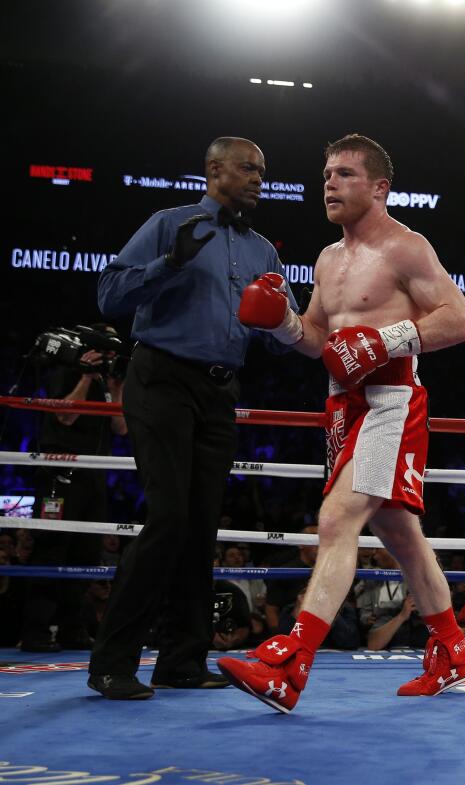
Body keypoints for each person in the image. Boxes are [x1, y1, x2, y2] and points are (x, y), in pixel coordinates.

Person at [218, 133, 465, 713]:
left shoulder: (407, 247)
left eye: (344, 174)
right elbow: (321, 342)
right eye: (326, 173)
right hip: (342, 407)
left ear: (380, 187)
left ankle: (290, 663)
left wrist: (386, 339)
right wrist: (282, 323)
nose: (329, 183)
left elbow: (461, 320)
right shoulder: (329, 259)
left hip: (390, 402)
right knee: (399, 536)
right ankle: (452, 646)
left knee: (337, 518)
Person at [88, 136, 293, 701]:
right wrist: (168, 263)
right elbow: (110, 296)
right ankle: (111, 661)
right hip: (161, 380)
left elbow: (285, 334)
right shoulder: (169, 223)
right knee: (170, 518)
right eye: (248, 168)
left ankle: (181, 660)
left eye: (262, 170)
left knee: (200, 526)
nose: (258, 178)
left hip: (219, 393)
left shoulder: (262, 252)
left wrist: (284, 321)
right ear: (214, 170)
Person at [24, 324, 128, 652]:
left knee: (85, 552)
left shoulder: (106, 381)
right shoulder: (66, 371)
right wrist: (84, 376)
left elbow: (121, 427)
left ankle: (73, 628)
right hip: (60, 473)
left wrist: (117, 387)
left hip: (93, 475)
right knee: (51, 549)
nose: (110, 356)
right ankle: (36, 632)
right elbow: (64, 418)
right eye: (106, 350)